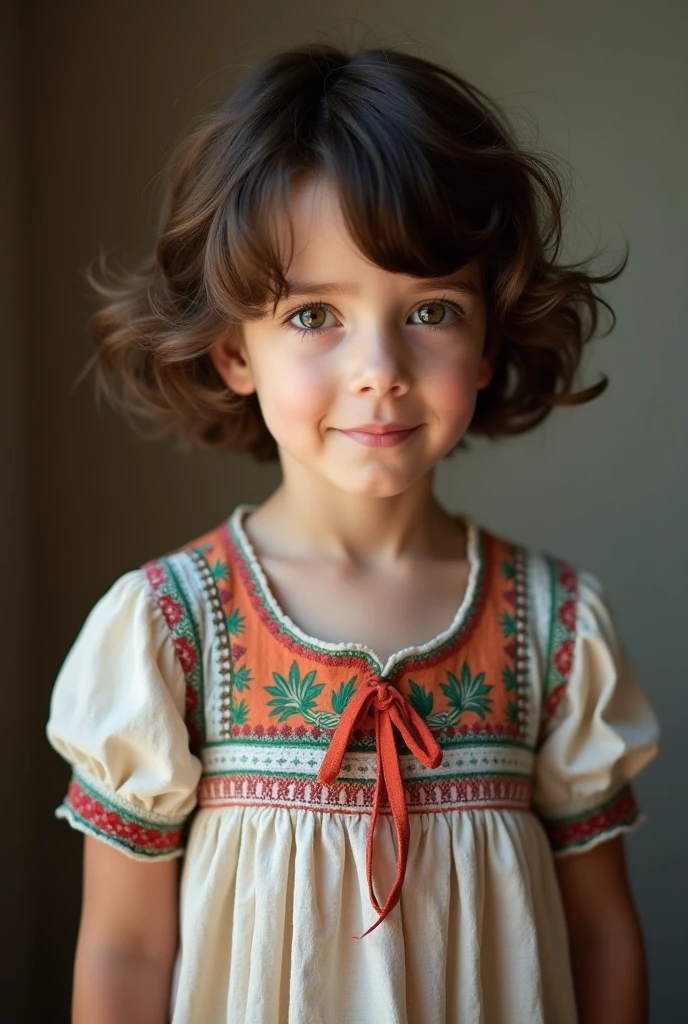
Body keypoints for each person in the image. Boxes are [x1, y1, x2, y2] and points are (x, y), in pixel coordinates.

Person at [46, 42, 661, 1024]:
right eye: (313, 314)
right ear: (230, 348)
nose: (379, 366)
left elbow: (600, 933)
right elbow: (123, 951)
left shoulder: (553, 631)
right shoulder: (167, 631)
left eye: (428, 308)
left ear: (490, 336)